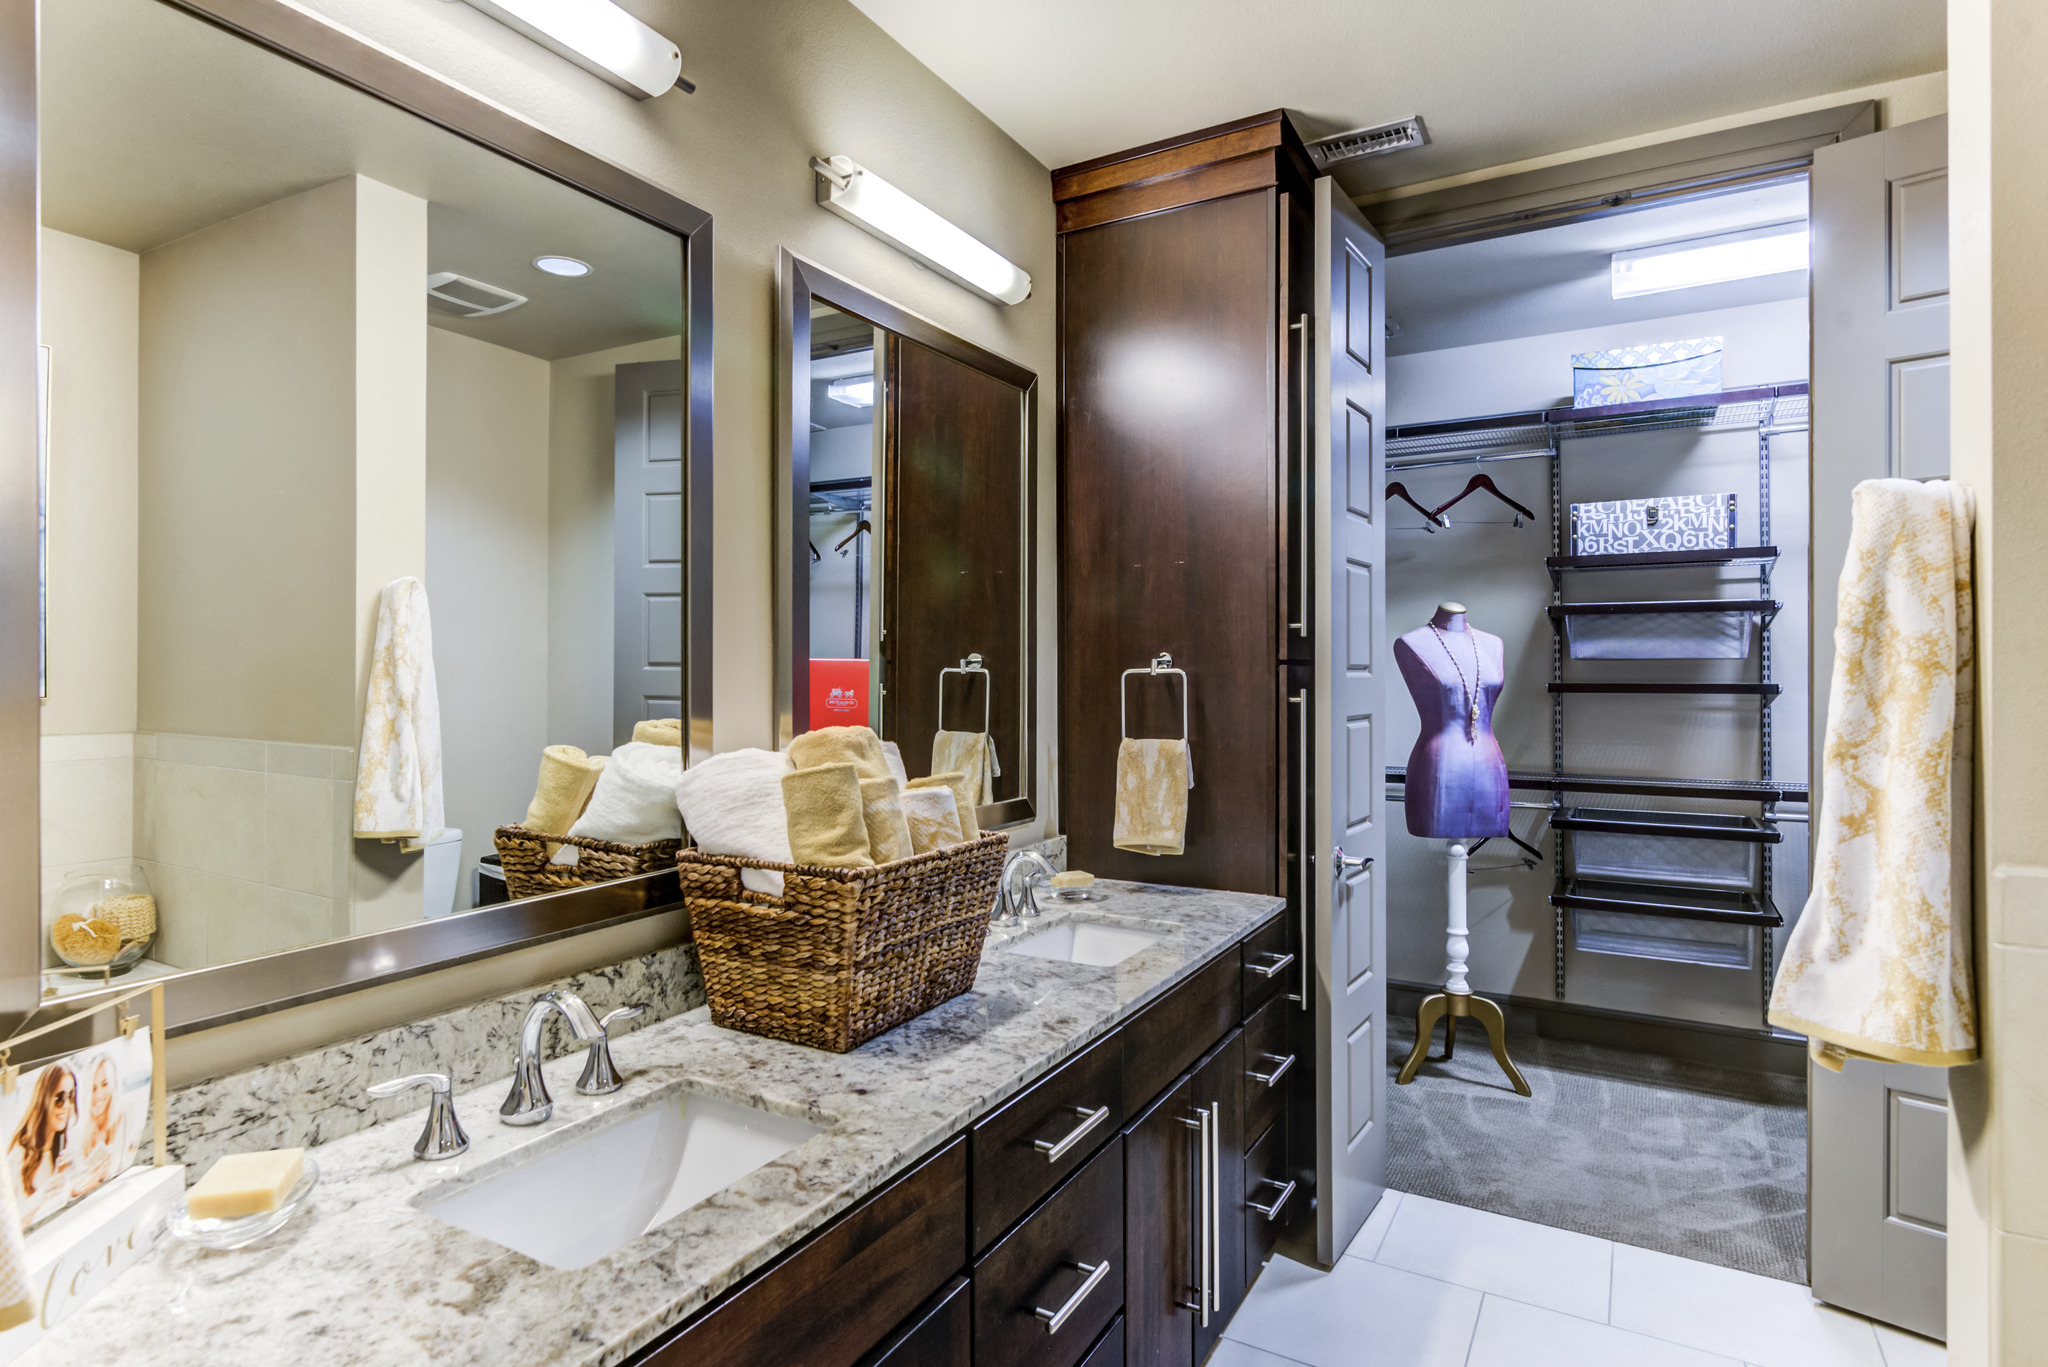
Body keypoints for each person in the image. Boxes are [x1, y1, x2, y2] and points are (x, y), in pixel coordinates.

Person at [7, 1063, 77, 1228]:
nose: (67, 1105)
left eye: (71, 1096)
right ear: (43, 1100)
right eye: (59, 1098)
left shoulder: (60, 1147)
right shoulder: (19, 1155)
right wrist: (40, 1198)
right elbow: (9, 1226)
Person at [67, 1054, 129, 1201]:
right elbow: (72, 1189)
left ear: (114, 1085)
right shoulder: (76, 1133)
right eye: (93, 1088)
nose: (98, 1094)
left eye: (105, 1084)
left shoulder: (124, 1117)